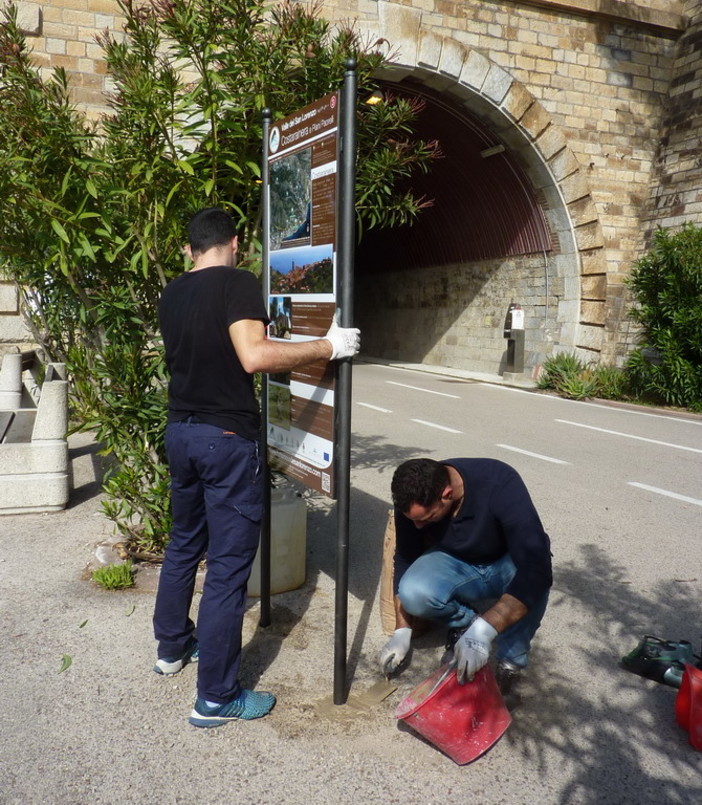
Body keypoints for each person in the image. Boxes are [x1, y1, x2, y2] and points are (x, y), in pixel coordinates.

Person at [153, 207, 360, 728]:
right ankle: (217, 698)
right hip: (225, 440)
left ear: (189, 249)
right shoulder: (238, 281)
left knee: (182, 544)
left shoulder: (172, 292)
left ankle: (173, 648)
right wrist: (327, 346)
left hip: (180, 433)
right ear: (236, 242)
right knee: (226, 570)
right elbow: (253, 355)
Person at [379, 457, 551, 698]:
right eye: (413, 520)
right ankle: (465, 623)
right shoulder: (413, 497)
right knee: (412, 592)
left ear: (447, 494)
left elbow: (537, 567)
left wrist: (486, 630)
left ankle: (510, 662)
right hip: (456, 561)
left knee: (534, 579)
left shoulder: (499, 482)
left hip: (504, 561)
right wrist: (402, 629)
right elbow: (405, 559)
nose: (417, 527)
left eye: (426, 519)